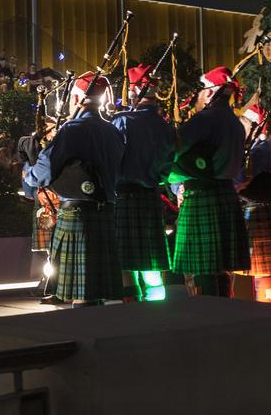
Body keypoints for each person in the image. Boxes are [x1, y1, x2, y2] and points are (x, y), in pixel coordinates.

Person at [23, 72, 125, 306]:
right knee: (94, 292)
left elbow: (45, 171)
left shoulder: (72, 129)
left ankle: (85, 338)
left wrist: (28, 173)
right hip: (106, 212)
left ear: (77, 97)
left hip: (77, 215)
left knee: (81, 294)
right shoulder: (114, 131)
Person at [168, 66, 250, 298]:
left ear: (211, 92)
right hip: (225, 194)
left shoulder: (205, 119)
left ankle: (206, 320)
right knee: (220, 267)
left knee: (201, 267)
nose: (198, 96)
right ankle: (225, 317)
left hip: (201, 195)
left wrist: (170, 174)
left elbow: (173, 149)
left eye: (202, 91)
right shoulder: (235, 123)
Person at [109, 64, 176, 302]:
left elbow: (112, 160)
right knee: (152, 264)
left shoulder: (123, 122)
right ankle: (158, 314)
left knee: (127, 265)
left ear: (135, 91)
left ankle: (132, 315)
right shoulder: (166, 127)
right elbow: (168, 168)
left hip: (125, 196)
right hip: (151, 197)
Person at [236, 104, 271, 303]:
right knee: (252, 269)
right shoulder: (255, 148)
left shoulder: (260, 150)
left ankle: (265, 314)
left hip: (257, 211)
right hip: (253, 209)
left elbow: (240, 180)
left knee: (262, 270)